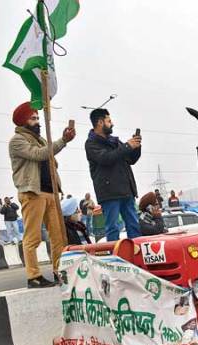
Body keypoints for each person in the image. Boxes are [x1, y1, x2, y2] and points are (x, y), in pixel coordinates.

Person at [8, 101, 75, 288]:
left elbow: (51, 160)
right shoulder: (17, 141)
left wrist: (57, 146)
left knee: (58, 236)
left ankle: (58, 272)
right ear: (23, 122)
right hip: (33, 193)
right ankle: (33, 276)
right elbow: (38, 155)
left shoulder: (42, 140)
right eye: (33, 118)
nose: (37, 121)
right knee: (33, 238)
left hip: (50, 192)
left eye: (38, 117)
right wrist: (62, 142)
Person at [85, 108, 142, 242]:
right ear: (100, 122)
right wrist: (127, 146)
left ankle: (137, 255)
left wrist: (136, 147)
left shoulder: (115, 141)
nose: (112, 123)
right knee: (113, 228)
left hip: (126, 191)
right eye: (109, 121)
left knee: (134, 226)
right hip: (109, 193)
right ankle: (115, 258)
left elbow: (130, 159)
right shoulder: (91, 144)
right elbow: (106, 158)